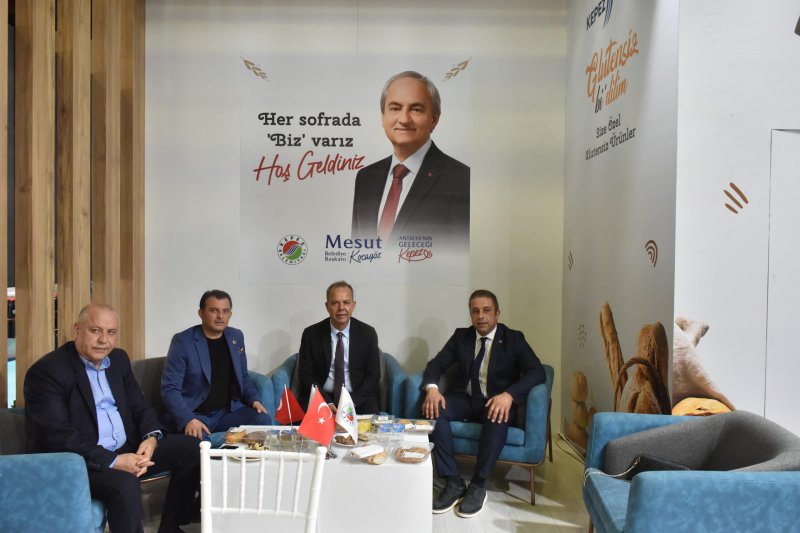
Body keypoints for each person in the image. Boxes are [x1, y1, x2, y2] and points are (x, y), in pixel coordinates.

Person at [24, 303, 199, 533]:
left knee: (191, 448)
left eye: (111, 332)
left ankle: (169, 527)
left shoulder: (118, 359)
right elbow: (57, 437)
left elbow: (140, 405)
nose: (103, 340)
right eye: (95, 330)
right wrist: (114, 461)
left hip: (126, 449)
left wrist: (151, 438)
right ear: (77, 329)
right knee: (124, 483)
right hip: (82, 462)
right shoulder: (48, 371)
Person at [421, 290, 545, 518]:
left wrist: (509, 395)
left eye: (487, 310)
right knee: (434, 410)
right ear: (470, 315)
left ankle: (478, 485)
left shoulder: (513, 338)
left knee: (498, 415)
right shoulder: (461, 336)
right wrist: (432, 389)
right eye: (475, 311)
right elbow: (437, 363)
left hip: (496, 401)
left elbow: (537, 372)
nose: (481, 316)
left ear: (497, 313)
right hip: (467, 399)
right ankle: (453, 481)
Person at [351, 70, 469, 249]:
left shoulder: (462, 180)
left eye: (416, 109)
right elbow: (355, 253)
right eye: (395, 108)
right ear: (383, 117)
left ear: (434, 119)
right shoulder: (366, 178)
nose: (404, 119)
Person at [161, 290, 271, 440]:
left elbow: (243, 375)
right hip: (195, 414)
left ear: (230, 314)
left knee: (263, 421)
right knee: (200, 443)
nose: (220, 316)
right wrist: (188, 419)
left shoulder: (236, 336)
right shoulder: (183, 342)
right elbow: (170, 389)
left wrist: (254, 400)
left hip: (227, 412)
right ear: (201, 313)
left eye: (225, 311)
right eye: (214, 310)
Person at [298, 281, 381, 413]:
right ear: (327, 306)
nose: (341, 308)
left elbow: (373, 376)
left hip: (357, 398)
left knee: (370, 421)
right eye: (335, 303)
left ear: (353, 305)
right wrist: (326, 402)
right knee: (301, 421)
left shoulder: (367, 333)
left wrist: (350, 403)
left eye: (346, 302)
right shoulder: (311, 334)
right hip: (322, 397)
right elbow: (306, 375)